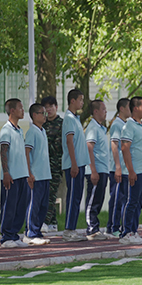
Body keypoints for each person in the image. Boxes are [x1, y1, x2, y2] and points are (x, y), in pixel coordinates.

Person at [119, 96, 142, 245]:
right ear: (135, 108)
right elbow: (125, 148)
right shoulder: (129, 126)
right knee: (132, 202)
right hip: (136, 171)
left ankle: (134, 231)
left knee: (139, 202)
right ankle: (126, 233)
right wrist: (130, 170)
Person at [0, 98, 30, 248]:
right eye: (20, 108)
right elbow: (3, 151)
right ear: (12, 111)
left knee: (20, 207)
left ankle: (14, 235)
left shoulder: (19, 130)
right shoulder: (6, 130)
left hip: (22, 174)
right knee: (9, 207)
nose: (23, 110)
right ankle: (6, 237)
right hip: (11, 176)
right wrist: (6, 173)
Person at [61, 89, 90, 242]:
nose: (82, 103)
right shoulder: (69, 119)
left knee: (77, 197)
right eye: (80, 100)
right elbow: (69, 141)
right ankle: (68, 230)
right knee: (73, 197)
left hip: (80, 164)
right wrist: (73, 163)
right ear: (72, 101)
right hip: (74, 164)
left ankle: (72, 228)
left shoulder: (75, 118)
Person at [84, 100, 115, 240]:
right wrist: (93, 170)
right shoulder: (92, 127)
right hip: (95, 169)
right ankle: (91, 229)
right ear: (95, 111)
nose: (106, 112)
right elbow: (89, 148)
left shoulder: (101, 128)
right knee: (93, 200)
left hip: (103, 169)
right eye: (103, 109)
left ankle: (95, 227)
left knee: (99, 199)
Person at [23, 103, 51, 246]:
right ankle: (30, 233)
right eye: (42, 113)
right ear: (34, 115)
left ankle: (37, 231)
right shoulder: (32, 132)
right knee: (33, 204)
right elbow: (27, 152)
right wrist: (29, 173)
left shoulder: (43, 131)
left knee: (43, 206)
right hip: (36, 175)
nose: (45, 116)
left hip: (45, 175)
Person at [106, 98, 131, 237]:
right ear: (122, 108)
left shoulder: (126, 124)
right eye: (129, 107)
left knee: (124, 199)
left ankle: (120, 226)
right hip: (118, 168)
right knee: (117, 198)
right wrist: (117, 167)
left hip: (125, 169)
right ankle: (112, 227)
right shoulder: (117, 124)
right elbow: (114, 145)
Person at [40, 96, 62, 232]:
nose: (48, 110)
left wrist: (41, 145)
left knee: (51, 195)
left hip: (55, 166)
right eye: (46, 107)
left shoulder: (62, 124)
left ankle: (44, 221)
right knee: (45, 193)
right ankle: (53, 223)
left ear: (56, 107)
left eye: (51, 106)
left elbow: (58, 146)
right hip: (42, 165)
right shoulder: (42, 124)